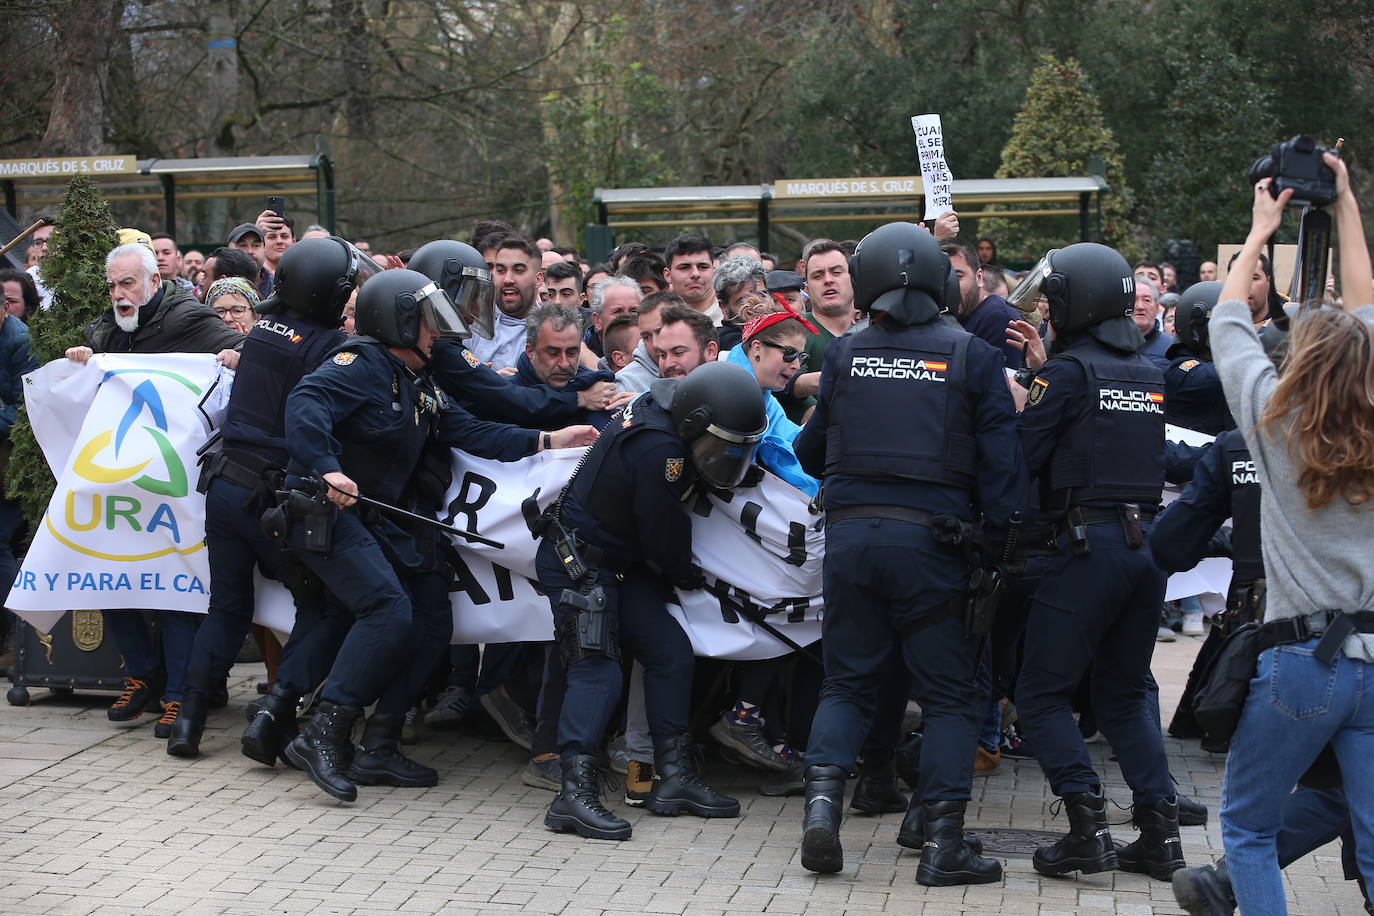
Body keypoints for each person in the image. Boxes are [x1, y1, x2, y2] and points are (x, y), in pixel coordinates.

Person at [279, 268, 596, 801]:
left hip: (378, 517)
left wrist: (548, 438)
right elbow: (305, 404)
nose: (439, 333)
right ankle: (322, 733)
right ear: (398, 324)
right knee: (387, 610)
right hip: (326, 512)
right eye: (429, 323)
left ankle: (379, 745)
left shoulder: (417, 378)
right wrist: (326, 467)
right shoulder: (357, 365)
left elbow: (469, 430)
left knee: (430, 620)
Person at [793, 221, 1024, 886]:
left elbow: (811, 453)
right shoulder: (971, 355)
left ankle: (822, 810)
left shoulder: (845, 353)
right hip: (934, 545)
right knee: (951, 697)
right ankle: (943, 845)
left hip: (852, 541)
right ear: (942, 280)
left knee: (846, 681)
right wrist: (1003, 550)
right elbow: (1003, 470)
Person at [1209, 153, 1374, 916]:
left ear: (1299, 359)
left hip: (1301, 662)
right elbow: (1365, 317)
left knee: (1246, 827)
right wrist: (1345, 202)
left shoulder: (1273, 421)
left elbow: (1225, 318)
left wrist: (1260, 229)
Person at [535, 361, 766, 840]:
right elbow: (664, 535)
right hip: (580, 561)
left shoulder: (660, 411)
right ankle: (572, 795)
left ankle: (673, 778)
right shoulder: (659, 450)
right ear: (693, 424)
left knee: (669, 653)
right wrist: (685, 575)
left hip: (616, 563)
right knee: (598, 667)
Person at [1012, 242, 1184, 882]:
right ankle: (1160, 835)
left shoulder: (1067, 373)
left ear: (1074, 304)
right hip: (1143, 551)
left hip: (1086, 549)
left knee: (1040, 694)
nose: (1049, 309)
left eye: (1054, 299)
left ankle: (1086, 829)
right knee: (1123, 692)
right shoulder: (1145, 371)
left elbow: (1023, 457)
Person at [167, 237, 363, 758]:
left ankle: (188, 721)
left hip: (225, 485)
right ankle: (276, 711)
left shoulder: (263, 330)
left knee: (226, 606)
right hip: (274, 498)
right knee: (321, 605)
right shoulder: (324, 345)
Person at [64, 242, 244, 732]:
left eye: (128, 284)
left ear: (153, 282)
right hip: (121, 478)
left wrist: (232, 352)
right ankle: (141, 675)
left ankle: (180, 694)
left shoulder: (187, 318)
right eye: (113, 285)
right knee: (108, 574)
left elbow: (245, 346)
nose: (119, 294)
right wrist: (83, 359)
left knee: (173, 581)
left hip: (174, 476)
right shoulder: (104, 329)